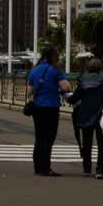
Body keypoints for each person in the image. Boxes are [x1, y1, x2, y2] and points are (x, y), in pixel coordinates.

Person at [66, 58, 103, 178]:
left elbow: (75, 98)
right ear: (100, 68)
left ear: (87, 69)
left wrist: (66, 96)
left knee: (87, 142)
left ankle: (87, 169)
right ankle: (100, 170)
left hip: (85, 115)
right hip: (102, 116)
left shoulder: (83, 81)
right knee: (102, 144)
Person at [27, 46, 73, 176]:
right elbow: (66, 86)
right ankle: (46, 168)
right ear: (53, 56)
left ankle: (37, 167)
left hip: (37, 107)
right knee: (49, 138)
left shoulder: (34, 70)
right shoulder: (55, 69)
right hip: (51, 107)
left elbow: (29, 91)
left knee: (39, 137)